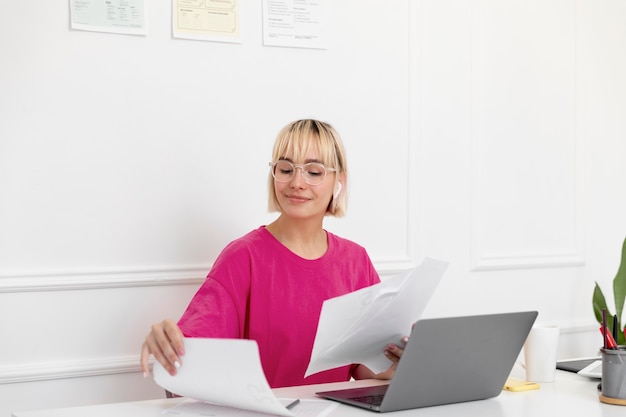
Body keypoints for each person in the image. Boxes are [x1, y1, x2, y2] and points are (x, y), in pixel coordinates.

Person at [140, 119, 406, 388]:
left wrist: (393, 363)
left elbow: (362, 368)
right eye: (286, 169)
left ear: (339, 181)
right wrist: (167, 341)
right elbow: (193, 348)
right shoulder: (243, 258)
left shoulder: (356, 261)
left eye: (314, 172)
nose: (297, 182)